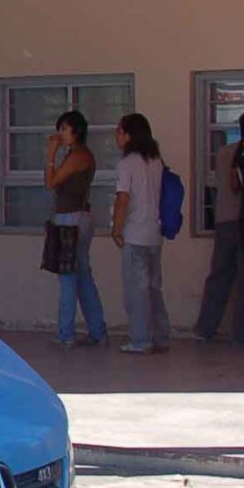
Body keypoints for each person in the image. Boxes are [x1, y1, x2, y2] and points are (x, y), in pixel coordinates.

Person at [109, 111, 171, 355]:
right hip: (154, 233)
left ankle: (140, 339)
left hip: (134, 234)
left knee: (136, 291)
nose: (117, 136)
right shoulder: (156, 161)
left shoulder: (126, 164)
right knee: (154, 289)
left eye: (120, 131)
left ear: (128, 134)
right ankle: (161, 337)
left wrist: (116, 228)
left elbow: (122, 198)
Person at [43, 110, 106, 347]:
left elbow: (51, 182)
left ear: (76, 131)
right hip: (76, 216)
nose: (61, 135)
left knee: (68, 276)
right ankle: (97, 331)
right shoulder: (77, 155)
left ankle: (66, 333)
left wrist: (50, 156)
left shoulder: (79, 156)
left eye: (64, 130)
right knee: (82, 276)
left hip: (71, 218)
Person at [192, 109, 244, 345]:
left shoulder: (225, 152)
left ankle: (205, 327)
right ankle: (242, 333)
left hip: (224, 219)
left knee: (219, 275)